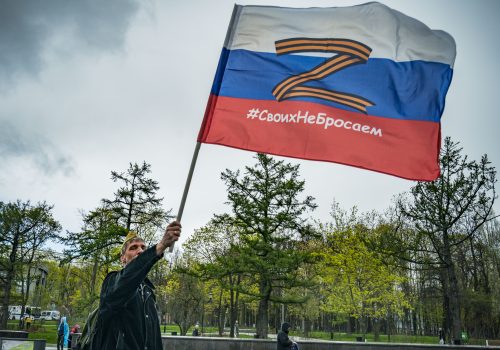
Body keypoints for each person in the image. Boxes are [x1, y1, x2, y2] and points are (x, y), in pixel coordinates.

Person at [97, 220, 181, 350]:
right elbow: (127, 279)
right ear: (122, 258)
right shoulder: (112, 282)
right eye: (133, 247)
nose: (140, 251)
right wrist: (161, 246)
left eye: (143, 247)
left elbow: (155, 338)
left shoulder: (149, 292)